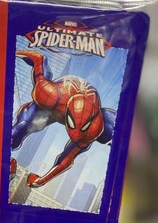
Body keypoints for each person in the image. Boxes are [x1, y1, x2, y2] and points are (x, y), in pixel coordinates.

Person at [11, 49, 116, 187]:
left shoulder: (95, 127)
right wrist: (15, 52)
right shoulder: (50, 94)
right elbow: (37, 59)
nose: (75, 135)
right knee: (23, 125)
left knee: (110, 129)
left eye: (82, 128)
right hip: (56, 104)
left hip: (80, 111)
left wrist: (41, 180)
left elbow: (68, 157)